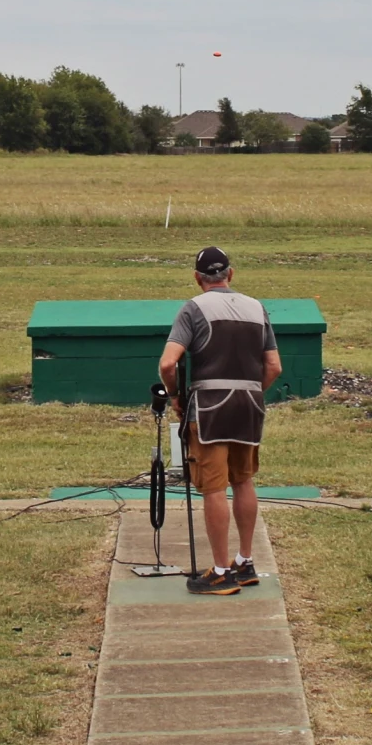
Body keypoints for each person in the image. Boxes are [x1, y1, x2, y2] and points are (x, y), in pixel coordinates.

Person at [158, 246, 282, 596]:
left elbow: (168, 364)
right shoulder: (257, 308)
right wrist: (253, 392)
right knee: (243, 481)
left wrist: (175, 397)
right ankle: (245, 562)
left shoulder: (193, 309)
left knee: (214, 488)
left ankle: (221, 571)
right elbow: (273, 367)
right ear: (231, 273)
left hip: (209, 408)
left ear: (197, 278)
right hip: (249, 405)